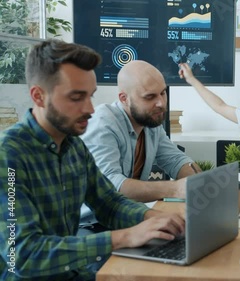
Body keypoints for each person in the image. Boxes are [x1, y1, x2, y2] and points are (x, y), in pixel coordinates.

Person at [0, 39, 185, 281]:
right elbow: (22, 255)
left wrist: (151, 219)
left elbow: (108, 202)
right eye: (77, 98)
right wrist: (125, 237)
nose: (90, 108)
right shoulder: (8, 155)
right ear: (38, 96)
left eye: (91, 96)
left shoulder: (75, 146)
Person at [81, 60, 200, 203]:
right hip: (93, 223)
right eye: (149, 97)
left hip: (128, 213)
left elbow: (176, 160)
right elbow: (110, 185)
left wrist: (200, 183)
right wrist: (174, 188)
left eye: (162, 93)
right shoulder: (103, 122)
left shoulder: (151, 122)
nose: (161, 103)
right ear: (124, 99)